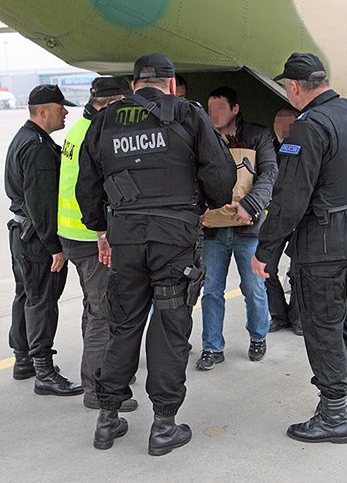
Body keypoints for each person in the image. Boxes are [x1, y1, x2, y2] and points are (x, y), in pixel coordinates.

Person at [76, 53, 236, 454]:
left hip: (126, 239)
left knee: (124, 324)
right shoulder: (187, 114)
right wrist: (205, 203)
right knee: (169, 327)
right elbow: (220, 175)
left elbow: (87, 186)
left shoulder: (105, 121)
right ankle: (163, 425)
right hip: (174, 241)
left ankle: (107, 419)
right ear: (168, 83)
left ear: (133, 86)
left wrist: (101, 226)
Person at [252, 53, 347, 444]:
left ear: (292, 87)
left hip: (322, 244)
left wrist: (266, 250)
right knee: (346, 320)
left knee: (323, 328)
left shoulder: (308, 127)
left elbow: (290, 198)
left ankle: (333, 415)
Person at [57, 76, 137, 412]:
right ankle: (97, 388)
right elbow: (96, 190)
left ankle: (99, 371)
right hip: (92, 238)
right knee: (104, 313)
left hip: (71, 234)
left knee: (93, 308)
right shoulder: (98, 133)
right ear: (113, 101)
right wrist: (105, 234)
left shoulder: (78, 128)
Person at [5, 84, 83, 396]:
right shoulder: (37, 146)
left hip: (22, 234)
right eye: (60, 107)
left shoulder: (25, 138)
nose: (65, 112)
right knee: (42, 301)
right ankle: (44, 371)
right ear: (42, 111)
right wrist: (55, 246)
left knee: (26, 296)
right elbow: (42, 203)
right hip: (38, 239)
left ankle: (23, 360)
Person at [196, 87, 278, 370]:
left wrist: (250, 205)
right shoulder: (202, 136)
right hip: (213, 230)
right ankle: (212, 347)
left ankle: (258, 336)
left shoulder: (258, 136)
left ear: (235, 109)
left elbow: (269, 174)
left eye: (220, 107)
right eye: (210, 107)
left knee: (254, 287)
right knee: (211, 291)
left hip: (248, 228)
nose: (213, 114)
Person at [265, 107, 302, 336]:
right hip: (276, 218)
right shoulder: (270, 149)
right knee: (267, 268)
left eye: (287, 124)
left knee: (297, 272)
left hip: (299, 217)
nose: (282, 129)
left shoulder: (305, 149)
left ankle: (298, 318)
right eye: (279, 123)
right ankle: (279, 315)